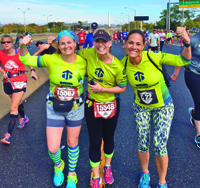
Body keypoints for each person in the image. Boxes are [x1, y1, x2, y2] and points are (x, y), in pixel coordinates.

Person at [120, 28, 191, 188]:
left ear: (144, 45)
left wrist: (186, 42)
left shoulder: (154, 56)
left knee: (160, 145)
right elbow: (105, 68)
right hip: (141, 107)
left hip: (163, 106)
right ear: (124, 44)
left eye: (138, 44)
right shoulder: (122, 63)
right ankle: (145, 174)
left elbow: (183, 61)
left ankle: (162, 181)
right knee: (142, 143)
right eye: (130, 43)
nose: (134, 47)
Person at [19, 30, 87, 188]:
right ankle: (59, 166)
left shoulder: (83, 61)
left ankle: (71, 174)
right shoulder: (51, 59)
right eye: (62, 43)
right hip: (54, 106)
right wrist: (22, 45)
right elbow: (25, 58)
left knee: (72, 142)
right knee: (53, 147)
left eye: (69, 42)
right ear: (58, 45)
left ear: (75, 43)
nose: (66, 46)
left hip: (75, 107)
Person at [77, 29, 127, 188]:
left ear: (110, 43)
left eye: (104, 41)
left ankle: (107, 167)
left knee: (109, 138)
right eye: (97, 41)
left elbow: (123, 87)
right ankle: (96, 176)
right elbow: (70, 52)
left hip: (111, 104)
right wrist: (52, 46)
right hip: (92, 104)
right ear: (93, 43)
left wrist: (103, 89)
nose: (100, 45)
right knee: (95, 141)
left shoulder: (117, 66)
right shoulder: (87, 53)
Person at [0, 34, 38, 144]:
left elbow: (29, 61)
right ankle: (24, 117)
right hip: (8, 82)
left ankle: (8, 136)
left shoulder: (19, 52)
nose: (6, 44)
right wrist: (3, 72)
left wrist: (33, 71)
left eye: (8, 42)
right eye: (3, 42)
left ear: (12, 43)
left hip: (20, 80)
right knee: (17, 101)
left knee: (13, 106)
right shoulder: (1, 53)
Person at [171, 32, 200, 149]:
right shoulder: (193, 40)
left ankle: (194, 114)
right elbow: (181, 57)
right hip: (193, 73)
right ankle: (199, 134)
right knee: (199, 101)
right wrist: (175, 73)